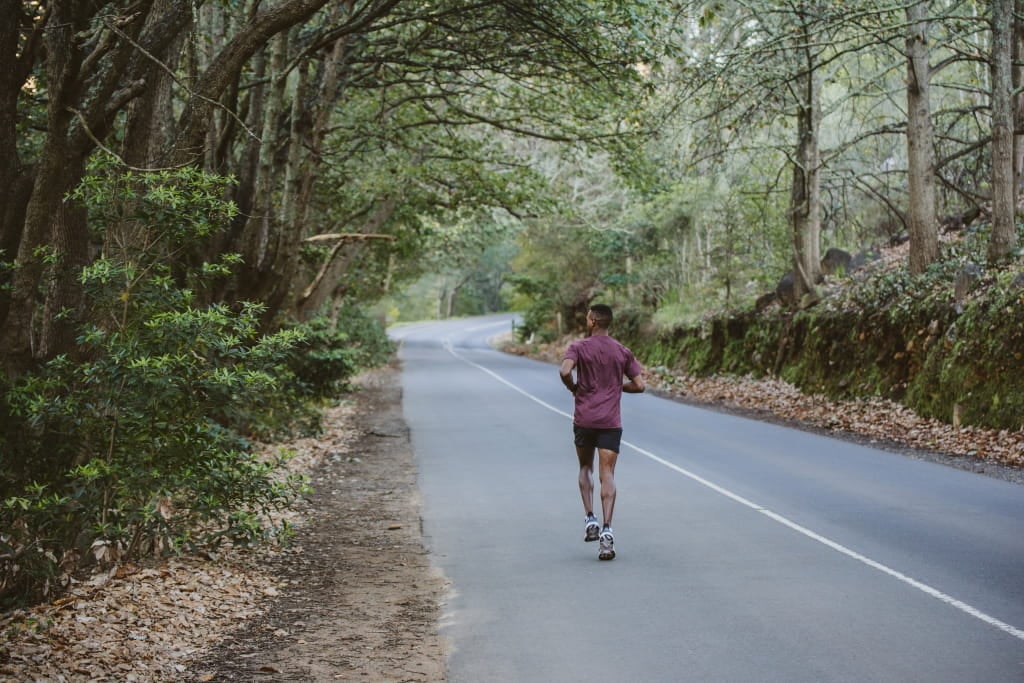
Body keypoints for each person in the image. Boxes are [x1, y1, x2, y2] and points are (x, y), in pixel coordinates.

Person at [559, 304, 645, 560]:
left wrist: (573, 388)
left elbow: (564, 370)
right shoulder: (622, 351)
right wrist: (617, 388)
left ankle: (589, 519)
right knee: (608, 474)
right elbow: (640, 385)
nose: (586, 319)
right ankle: (607, 531)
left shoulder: (578, 347)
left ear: (594, 321)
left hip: (584, 419)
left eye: (588, 316)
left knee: (585, 468)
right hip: (610, 421)